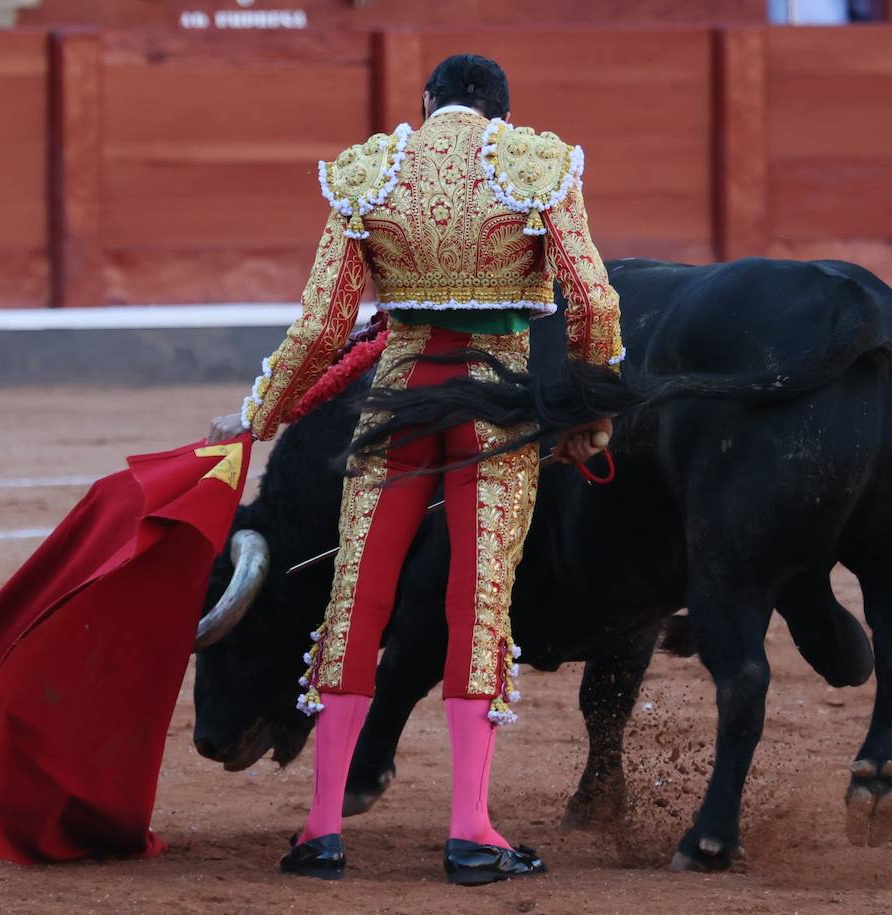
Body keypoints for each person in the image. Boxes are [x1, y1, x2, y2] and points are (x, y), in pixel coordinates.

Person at [207, 53, 623, 885]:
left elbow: (323, 326)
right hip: (493, 404)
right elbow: (595, 301)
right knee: (478, 600)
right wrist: (590, 414)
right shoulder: (535, 163)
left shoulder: (369, 172)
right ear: (499, 112)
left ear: (427, 104)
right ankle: (470, 832)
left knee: (358, 594)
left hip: (397, 401)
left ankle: (320, 831)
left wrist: (260, 415)